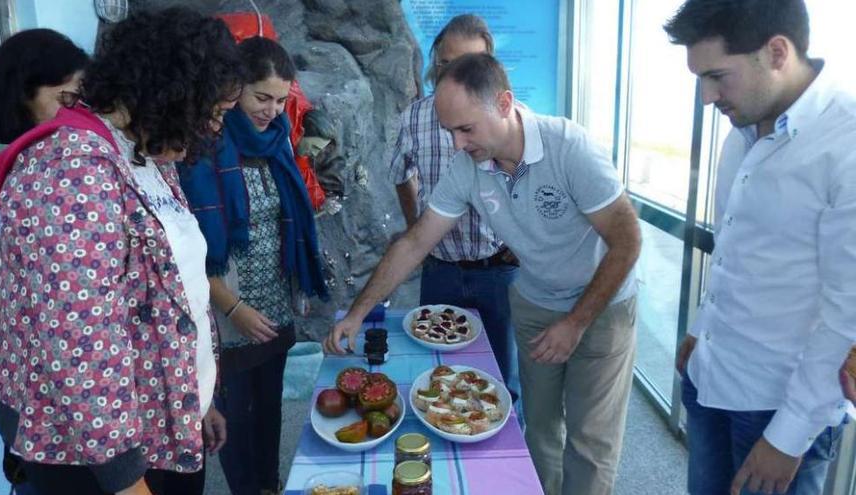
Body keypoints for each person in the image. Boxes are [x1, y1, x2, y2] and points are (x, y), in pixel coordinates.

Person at [325, 53, 641, 495]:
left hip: (602, 306)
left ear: (505, 103)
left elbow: (628, 241)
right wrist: (359, 312)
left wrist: (576, 322)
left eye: (466, 129)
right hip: (536, 301)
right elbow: (416, 242)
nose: (456, 144)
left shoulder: (570, 146)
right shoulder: (467, 168)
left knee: (590, 444)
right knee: (540, 430)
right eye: (449, 131)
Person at [0, 7, 243, 495]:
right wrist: (125, 477)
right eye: (214, 112)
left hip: (161, 424)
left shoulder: (142, 154)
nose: (214, 129)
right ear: (172, 95)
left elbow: (171, 289)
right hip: (100, 458)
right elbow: (79, 340)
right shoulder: (71, 169)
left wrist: (197, 398)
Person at [664, 1, 856, 493]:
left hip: (779, 406)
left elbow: (847, 314)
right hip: (710, 379)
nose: (707, 97)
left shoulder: (846, 144)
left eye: (717, 76)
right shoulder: (743, 132)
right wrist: (701, 329)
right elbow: (733, 250)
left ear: (776, 52)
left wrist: (788, 438)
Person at [178, 36, 327, 495]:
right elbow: (184, 251)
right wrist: (234, 307)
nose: (273, 110)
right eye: (262, 97)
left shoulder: (277, 141)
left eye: (282, 100)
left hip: (273, 307)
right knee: (236, 421)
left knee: (269, 410)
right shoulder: (201, 148)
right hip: (227, 314)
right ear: (235, 88)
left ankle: (271, 485)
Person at [0, 28, 89, 495]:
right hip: (7, 351)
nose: (74, 110)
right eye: (64, 96)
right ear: (25, 92)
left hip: (65, 356)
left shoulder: (71, 153)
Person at [388, 14, 521, 403]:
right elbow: (400, 172)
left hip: (497, 267)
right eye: (446, 64)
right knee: (438, 372)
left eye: (469, 64)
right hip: (442, 268)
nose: (455, 74)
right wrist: (417, 228)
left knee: (503, 377)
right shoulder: (414, 117)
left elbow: (527, 182)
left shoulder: (507, 118)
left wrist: (519, 242)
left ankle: (504, 460)